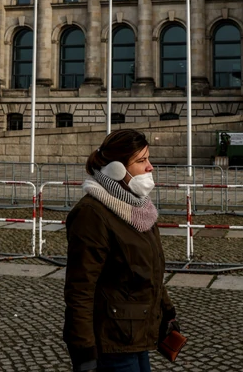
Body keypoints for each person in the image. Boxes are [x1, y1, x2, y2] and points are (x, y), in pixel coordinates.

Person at [63, 129, 180, 372]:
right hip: (112, 343)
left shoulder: (139, 208)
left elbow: (148, 270)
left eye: (148, 158)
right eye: (141, 161)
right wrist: (84, 351)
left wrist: (167, 312)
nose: (150, 167)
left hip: (136, 335)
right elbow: (80, 290)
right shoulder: (92, 214)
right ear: (116, 170)